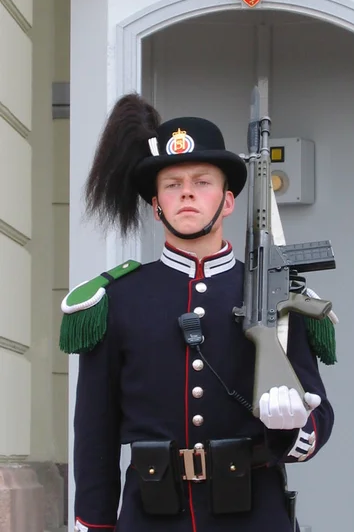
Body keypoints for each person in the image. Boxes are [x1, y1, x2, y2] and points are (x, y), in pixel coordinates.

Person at [60, 93, 335, 532]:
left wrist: (295, 424)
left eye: (202, 181)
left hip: (253, 515)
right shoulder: (117, 300)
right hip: (151, 515)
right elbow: (96, 431)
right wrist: (93, 525)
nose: (186, 192)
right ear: (156, 206)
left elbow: (318, 419)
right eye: (172, 184)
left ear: (227, 202)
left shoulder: (280, 291)